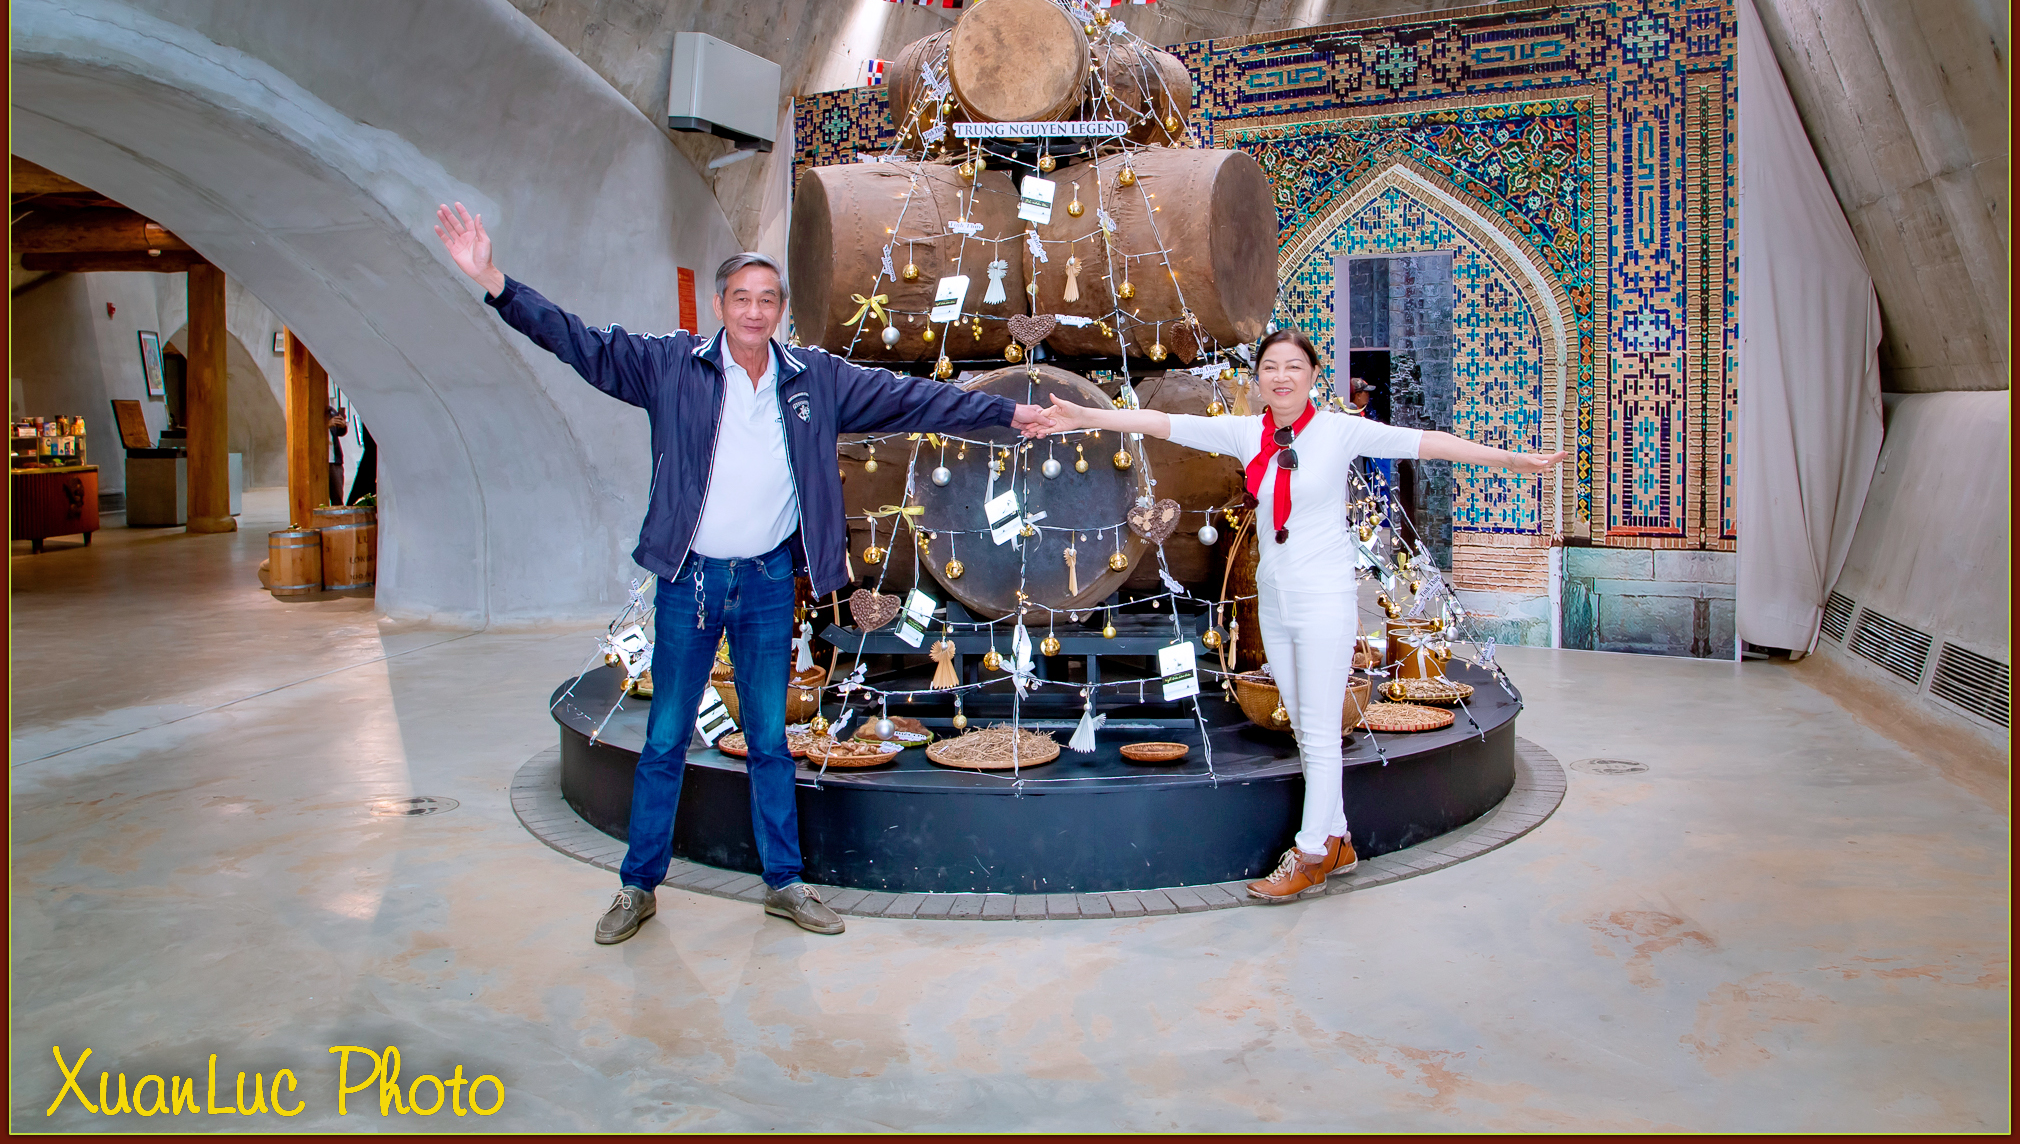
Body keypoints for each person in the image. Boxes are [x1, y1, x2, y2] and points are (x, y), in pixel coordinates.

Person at [434, 203, 1047, 943]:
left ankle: (784, 883)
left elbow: (911, 397)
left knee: (768, 739)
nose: (754, 311)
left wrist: (1006, 414)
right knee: (666, 738)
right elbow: (579, 342)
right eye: (741, 298)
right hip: (687, 583)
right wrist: (496, 282)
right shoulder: (670, 365)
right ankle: (637, 886)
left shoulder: (815, 379)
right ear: (720, 305)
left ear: (780, 310)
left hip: (766, 585)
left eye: (767, 299)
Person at [1038, 327, 1564, 905]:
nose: (1281, 376)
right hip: (1275, 599)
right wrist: (1084, 417)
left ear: (1313, 375)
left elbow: (1427, 444)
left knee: (1318, 729)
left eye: (1293, 366)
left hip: (1324, 598)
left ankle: (1310, 854)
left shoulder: (1338, 430)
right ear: (1259, 378)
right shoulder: (1248, 433)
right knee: (1305, 728)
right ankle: (1337, 841)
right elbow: (1162, 424)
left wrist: (1510, 460)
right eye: (1270, 367)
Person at [1346, 377, 1395, 496]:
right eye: (1366, 392)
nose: (1368, 396)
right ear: (1358, 395)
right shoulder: (1351, 412)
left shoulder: (1358, 413)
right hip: (1354, 462)